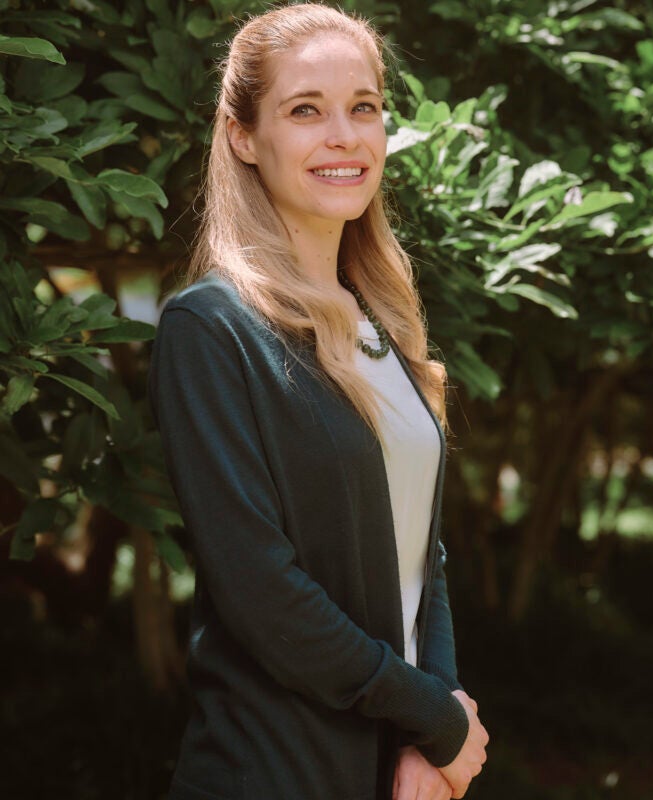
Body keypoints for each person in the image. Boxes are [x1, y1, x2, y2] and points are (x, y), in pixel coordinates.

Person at [147, 4, 489, 799]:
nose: (344, 135)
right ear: (243, 136)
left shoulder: (381, 324)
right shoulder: (212, 328)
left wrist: (430, 737)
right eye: (306, 111)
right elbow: (262, 590)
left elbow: (421, 557)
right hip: (272, 770)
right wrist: (436, 719)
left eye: (363, 107)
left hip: (394, 775)